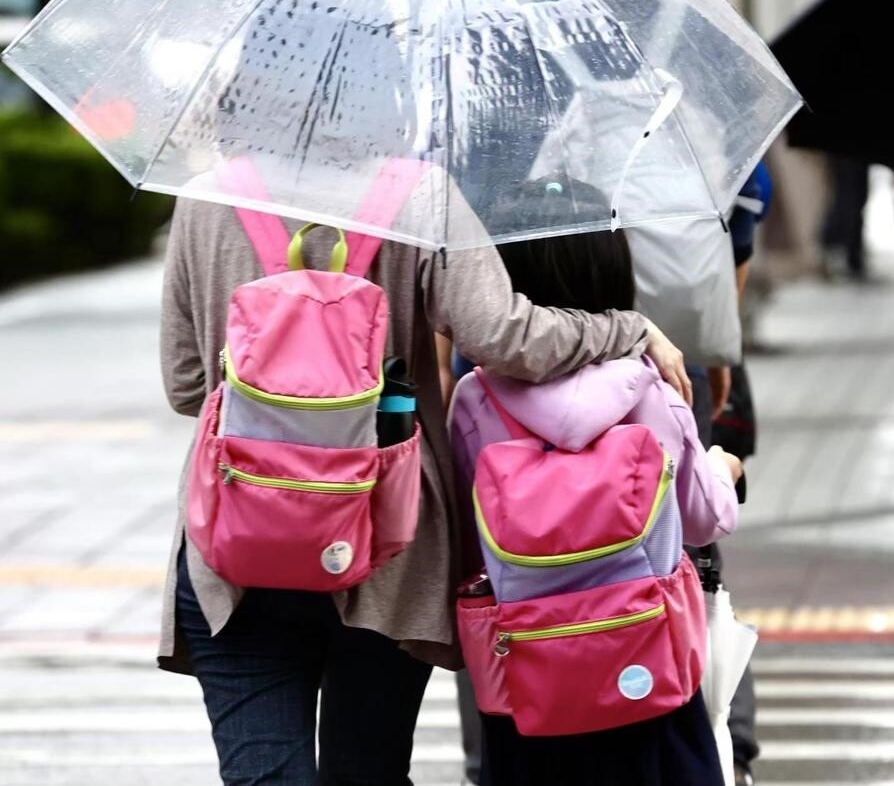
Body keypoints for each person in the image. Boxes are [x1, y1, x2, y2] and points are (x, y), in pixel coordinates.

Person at [161, 160, 690, 784]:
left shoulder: (203, 197)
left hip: (237, 538)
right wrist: (626, 328)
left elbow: (186, 383)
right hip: (387, 544)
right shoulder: (418, 193)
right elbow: (503, 338)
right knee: (367, 774)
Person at [448, 178, 743, 786]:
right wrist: (723, 467)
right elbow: (703, 518)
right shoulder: (649, 386)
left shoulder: (475, 401)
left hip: (529, 669)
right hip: (647, 662)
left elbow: (468, 531)